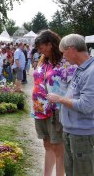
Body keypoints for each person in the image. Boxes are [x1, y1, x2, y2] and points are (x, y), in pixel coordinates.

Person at [47, 34, 94, 176]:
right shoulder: (81, 68)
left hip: (82, 134)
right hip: (73, 132)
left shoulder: (91, 72)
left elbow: (86, 106)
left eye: (64, 52)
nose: (63, 56)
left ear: (72, 49)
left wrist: (60, 99)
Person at [32, 30, 76, 176]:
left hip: (56, 110)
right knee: (47, 144)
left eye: (41, 46)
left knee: (58, 147)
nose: (39, 50)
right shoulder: (43, 60)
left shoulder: (66, 64)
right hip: (40, 108)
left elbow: (74, 88)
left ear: (50, 44)